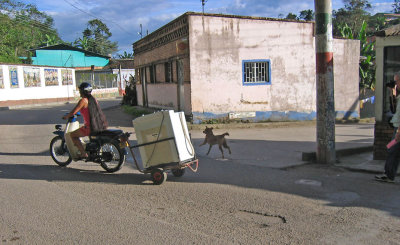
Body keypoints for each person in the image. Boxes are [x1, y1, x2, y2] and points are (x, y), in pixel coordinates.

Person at [62, 82, 108, 159]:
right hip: (100, 125)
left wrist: (66, 116)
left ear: (83, 91)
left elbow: (73, 112)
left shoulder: (83, 101)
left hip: (90, 127)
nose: (79, 92)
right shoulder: (94, 100)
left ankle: (83, 153)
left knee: (72, 135)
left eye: (80, 90)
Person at [376, 72, 400, 183]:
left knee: (392, 150)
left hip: (399, 129)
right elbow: (394, 110)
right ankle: (388, 174)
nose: (395, 84)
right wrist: (393, 94)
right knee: (393, 150)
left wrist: (399, 130)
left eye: (396, 81)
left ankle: (389, 175)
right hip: (397, 127)